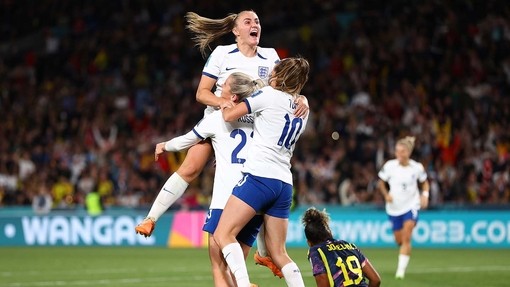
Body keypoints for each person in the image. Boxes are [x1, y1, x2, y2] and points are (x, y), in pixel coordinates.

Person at [135, 10, 308, 278]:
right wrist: (222, 103)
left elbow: (288, 84)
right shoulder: (222, 54)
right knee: (191, 166)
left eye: (258, 21)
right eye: (248, 22)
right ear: (236, 30)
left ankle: (262, 251)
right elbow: (202, 93)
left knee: (256, 184)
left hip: (254, 128)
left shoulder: (271, 55)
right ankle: (151, 218)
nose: (255, 25)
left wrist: (302, 98)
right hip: (221, 121)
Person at [155, 72, 264, 287]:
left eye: (224, 86)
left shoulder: (216, 119)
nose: (219, 88)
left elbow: (185, 141)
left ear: (233, 96)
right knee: (236, 264)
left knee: (219, 266)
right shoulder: (262, 118)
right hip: (255, 198)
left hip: (226, 200)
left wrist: (163, 145)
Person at [213, 57, 310, 287]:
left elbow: (229, 115)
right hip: (284, 184)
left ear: (279, 76)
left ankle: (244, 285)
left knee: (223, 234)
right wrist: (302, 96)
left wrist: (225, 103)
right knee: (279, 252)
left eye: (274, 71)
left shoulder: (267, 96)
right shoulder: (302, 108)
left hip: (259, 176)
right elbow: (292, 98)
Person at [377, 136, 430, 279]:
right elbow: (380, 183)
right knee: (399, 240)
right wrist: (386, 194)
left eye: (402, 151)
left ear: (409, 152)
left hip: (411, 205)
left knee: (406, 238)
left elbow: (425, 183)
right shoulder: (390, 166)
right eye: (397, 151)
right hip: (394, 208)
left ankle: (400, 272)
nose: (399, 154)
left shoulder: (417, 167)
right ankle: (403, 254)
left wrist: (425, 195)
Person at [302, 207, 381, 287]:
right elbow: (376, 280)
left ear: (309, 242)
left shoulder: (316, 251)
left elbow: (323, 284)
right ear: (328, 232)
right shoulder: (350, 246)